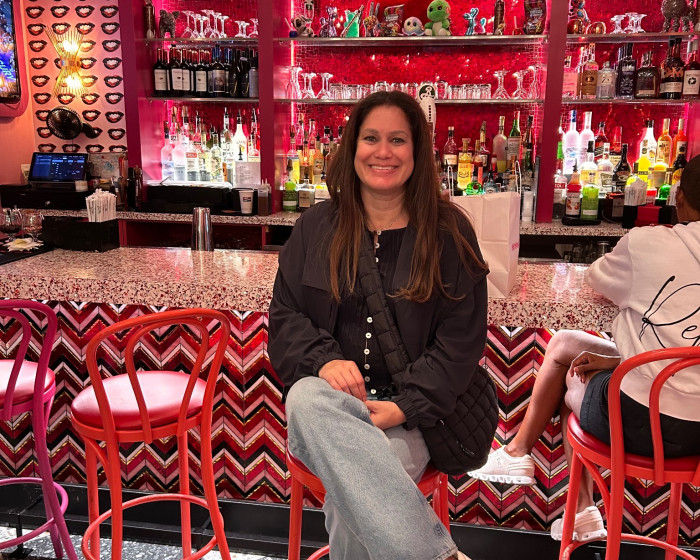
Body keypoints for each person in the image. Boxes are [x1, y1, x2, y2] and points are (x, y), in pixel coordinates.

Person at [268, 91, 489, 560]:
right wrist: (323, 361)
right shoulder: (316, 227)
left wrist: (402, 407)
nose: (383, 152)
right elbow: (284, 316)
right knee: (305, 396)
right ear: (353, 147)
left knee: (360, 489)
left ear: (417, 151)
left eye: (397, 140)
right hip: (331, 412)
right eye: (370, 138)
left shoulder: (449, 233)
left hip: (414, 415)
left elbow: (461, 342)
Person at [468, 154, 700, 542]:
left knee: (575, 373)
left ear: (678, 197)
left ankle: (568, 497)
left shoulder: (651, 244)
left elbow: (597, 277)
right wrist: (617, 358)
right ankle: (527, 464)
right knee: (566, 343)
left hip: (642, 423)